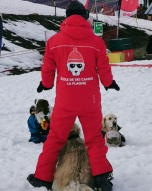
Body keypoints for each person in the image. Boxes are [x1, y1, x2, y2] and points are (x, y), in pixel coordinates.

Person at [26, 0, 120, 190]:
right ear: (85, 17)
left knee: (55, 140)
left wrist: (45, 84)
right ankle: (102, 180)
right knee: (94, 140)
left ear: (66, 17)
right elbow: (104, 67)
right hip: (90, 101)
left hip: (65, 101)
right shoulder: (96, 42)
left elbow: (48, 69)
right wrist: (109, 83)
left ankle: (42, 178)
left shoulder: (54, 41)